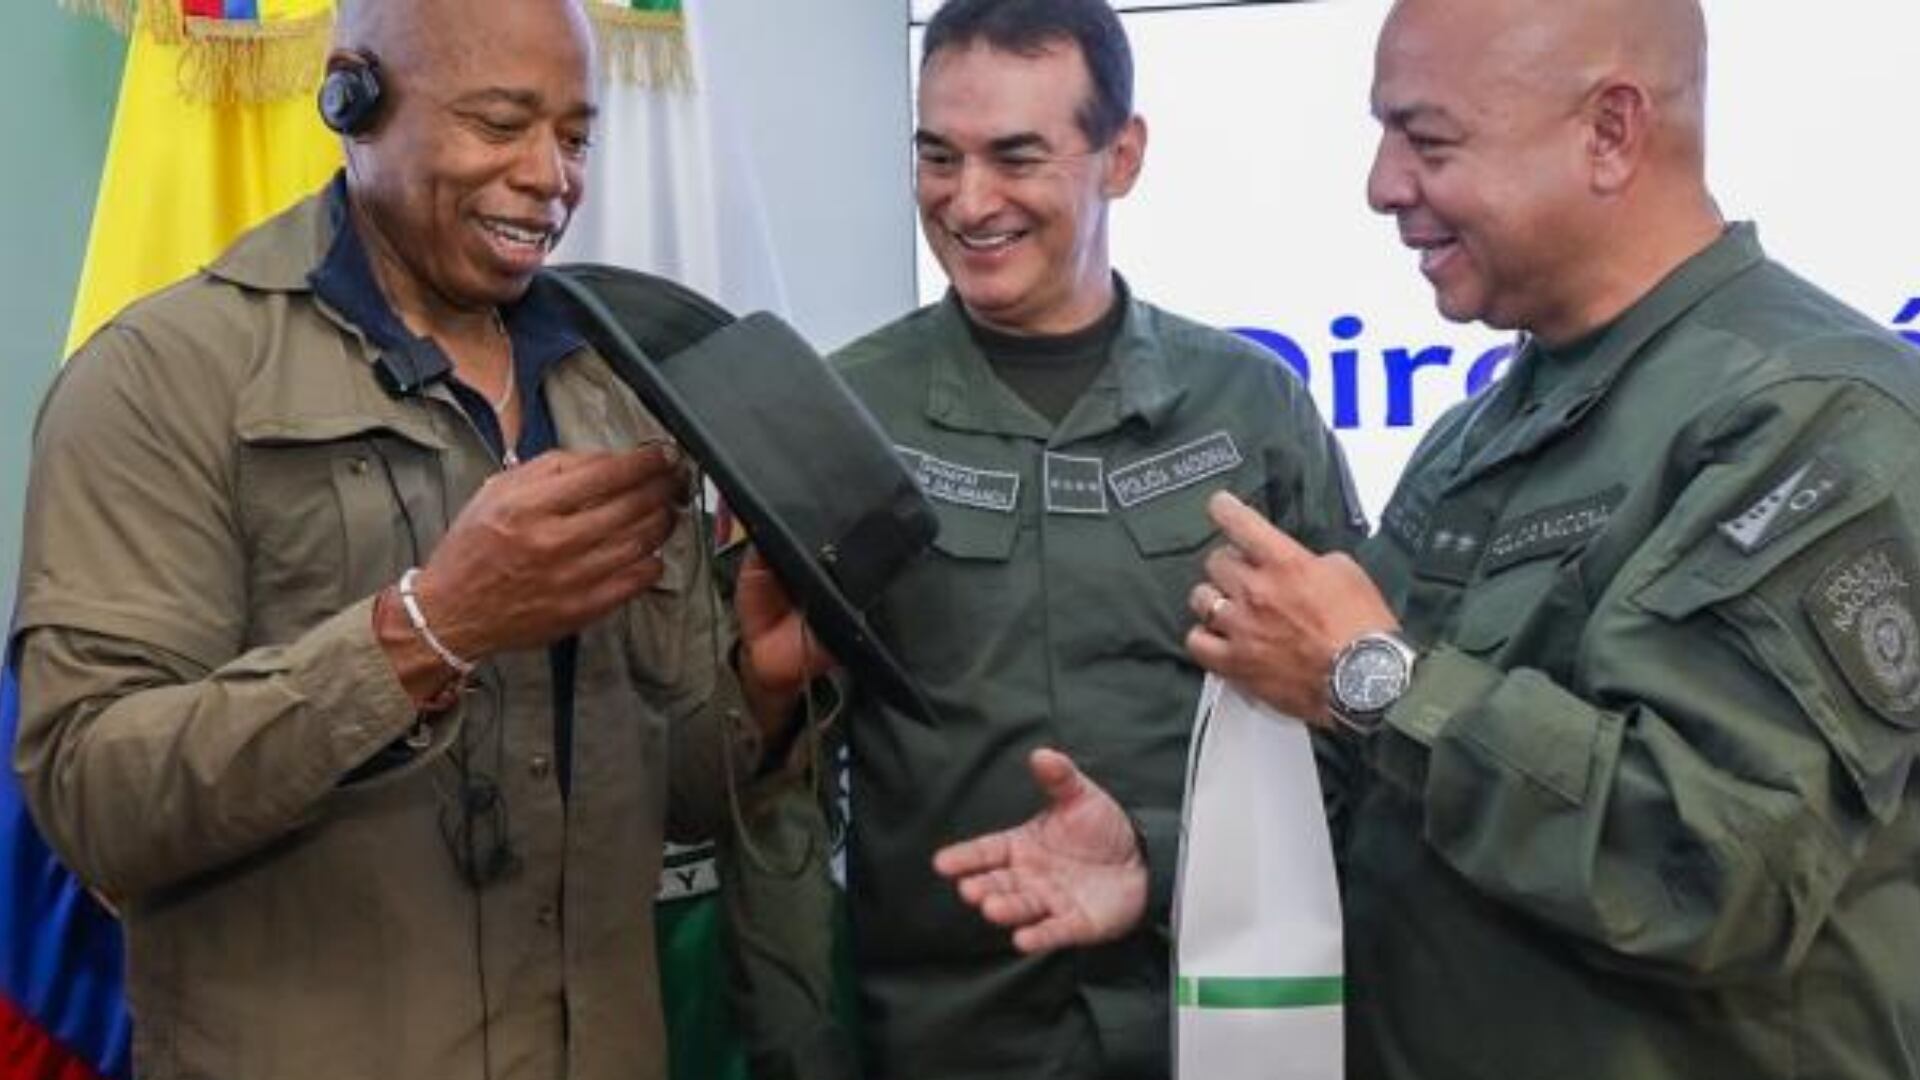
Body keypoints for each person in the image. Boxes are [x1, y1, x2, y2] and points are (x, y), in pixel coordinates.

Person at [935, 1, 1920, 1077]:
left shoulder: (1817, 415)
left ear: (1611, 132)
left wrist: (1375, 679)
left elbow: (1715, 867)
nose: (1382, 185)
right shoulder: (1477, 435)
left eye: (1429, 140)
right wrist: (1160, 867)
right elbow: (1400, 812)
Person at [10, 2, 828, 1078]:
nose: (552, 176)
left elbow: (673, 793)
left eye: (575, 136)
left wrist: (760, 694)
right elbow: (94, 801)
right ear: (353, 98)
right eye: (500, 124)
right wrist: (427, 633)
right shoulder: (162, 380)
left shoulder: (618, 386)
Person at [748, 1, 1363, 1077]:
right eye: (938, 156)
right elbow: (780, 787)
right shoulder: (841, 414)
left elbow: (1351, 747)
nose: (969, 201)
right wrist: (801, 1047)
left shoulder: (1252, 412)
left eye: (1016, 157)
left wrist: (1172, 871)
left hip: (1227, 1029)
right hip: (941, 1041)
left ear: (1121, 156)